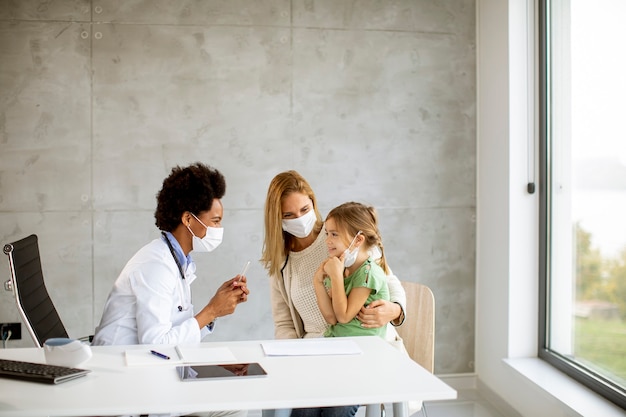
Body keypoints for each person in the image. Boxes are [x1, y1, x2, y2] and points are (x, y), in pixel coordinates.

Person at [92, 162, 249, 417]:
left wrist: (215, 314)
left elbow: (175, 329)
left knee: (239, 397)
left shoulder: (176, 260)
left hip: (149, 373)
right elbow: (156, 345)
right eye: (215, 221)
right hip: (127, 384)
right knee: (239, 406)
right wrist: (210, 312)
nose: (219, 230)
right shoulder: (156, 266)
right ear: (188, 218)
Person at [261, 171, 406, 417]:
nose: (299, 218)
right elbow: (285, 323)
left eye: (305, 209)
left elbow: (388, 280)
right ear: (277, 219)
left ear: (313, 204)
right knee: (299, 411)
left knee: (336, 407)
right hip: (313, 352)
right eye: (289, 215)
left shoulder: (342, 237)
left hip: (357, 347)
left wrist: (395, 309)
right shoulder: (281, 261)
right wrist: (293, 361)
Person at [314, 202, 390, 339]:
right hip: (341, 345)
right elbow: (331, 318)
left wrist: (336, 276)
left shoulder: (368, 273)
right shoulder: (341, 269)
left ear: (358, 240)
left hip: (364, 349)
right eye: (327, 234)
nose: (327, 240)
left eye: (334, 234)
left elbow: (343, 316)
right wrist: (318, 281)